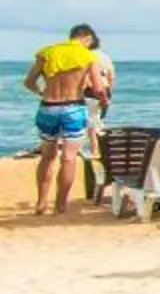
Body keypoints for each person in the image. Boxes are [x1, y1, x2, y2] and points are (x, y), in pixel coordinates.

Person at [23, 23, 114, 215]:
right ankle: (61, 204)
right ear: (87, 38)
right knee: (69, 158)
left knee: (47, 157)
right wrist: (104, 100)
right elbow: (98, 88)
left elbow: (29, 82)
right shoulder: (88, 56)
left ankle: (41, 203)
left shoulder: (47, 53)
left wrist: (42, 92)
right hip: (74, 108)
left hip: (48, 107)